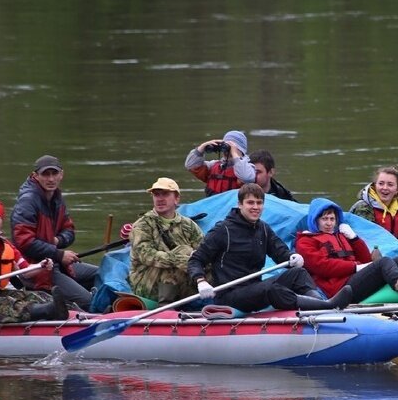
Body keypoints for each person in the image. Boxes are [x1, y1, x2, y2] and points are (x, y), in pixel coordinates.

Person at [187, 184, 352, 313]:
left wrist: (292, 257)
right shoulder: (223, 230)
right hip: (230, 294)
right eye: (250, 202)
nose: (255, 207)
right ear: (239, 204)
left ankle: (321, 304)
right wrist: (201, 281)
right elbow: (196, 259)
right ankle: (326, 306)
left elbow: (280, 253)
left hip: (254, 288)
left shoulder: (263, 228)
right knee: (270, 289)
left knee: (298, 274)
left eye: (259, 203)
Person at [296, 198, 398, 304]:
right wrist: (355, 268)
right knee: (383, 262)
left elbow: (364, 259)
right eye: (324, 218)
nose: (329, 223)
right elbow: (322, 267)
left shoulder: (340, 235)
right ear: (315, 220)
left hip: (355, 279)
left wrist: (354, 239)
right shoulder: (306, 241)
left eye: (332, 218)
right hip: (340, 291)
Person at [11, 154, 99, 310]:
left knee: (100, 274)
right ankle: (72, 308)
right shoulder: (28, 201)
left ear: (61, 175)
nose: (51, 179)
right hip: (37, 269)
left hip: (56, 263)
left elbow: (69, 231)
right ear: (35, 176)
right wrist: (59, 254)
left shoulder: (57, 198)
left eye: (54, 173)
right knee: (88, 301)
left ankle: (76, 299)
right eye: (45, 174)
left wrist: (57, 241)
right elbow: (24, 242)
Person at [127, 177, 205, 305]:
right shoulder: (143, 225)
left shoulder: (188, 225)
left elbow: (203, 250)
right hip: (148, 283)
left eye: (165, 194)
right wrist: (179, 260)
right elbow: (146, 255)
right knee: (176, 259)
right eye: (156, 194)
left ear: (176, 198)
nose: (160, 199)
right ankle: (165, 308)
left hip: (182, 278)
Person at [183, 130, 256, 196]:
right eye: (226, 148)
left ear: (241, 150)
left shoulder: (248, 168)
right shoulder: (214, 166)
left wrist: (235, 154)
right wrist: (202, 147)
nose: (227, 151)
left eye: (230, 148)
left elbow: (247, 178)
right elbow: (190, 165)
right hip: (212, 207)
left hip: (233, 208)